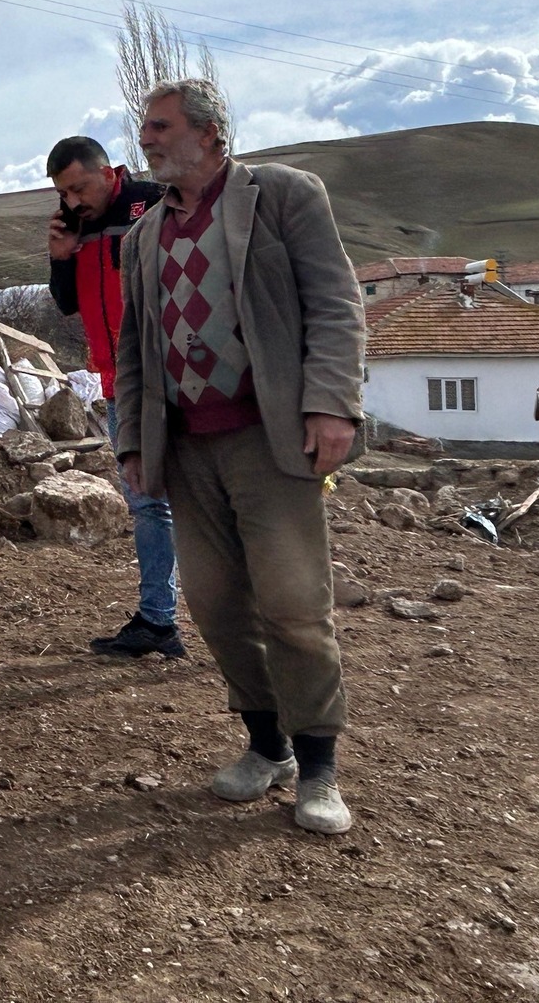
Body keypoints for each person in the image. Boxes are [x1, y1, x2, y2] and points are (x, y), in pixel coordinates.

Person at [113, 78, 365, 837]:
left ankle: (318, 768)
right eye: (145, 128)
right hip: (186, 448)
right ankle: (268, 747)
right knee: (216, 605)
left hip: (269, 434)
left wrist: (331, 401)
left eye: (160, 126)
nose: (148, 139)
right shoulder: (142, 236)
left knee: (292, 602)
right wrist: (132, 440)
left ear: (210, 133)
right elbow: (133, 349)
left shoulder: (282, 196)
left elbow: (335, 300)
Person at [44, 137, 180, 659]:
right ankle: (158, 621)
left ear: (108, 172)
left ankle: (255, 616)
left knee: (210, 498)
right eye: (63, 192)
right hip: (117, 383)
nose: (73, 201)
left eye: (80, 187)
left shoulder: (155, 203)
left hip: (174, 376)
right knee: (148, 504)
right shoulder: (76, 228)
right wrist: (60, 258)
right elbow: (67, 305)